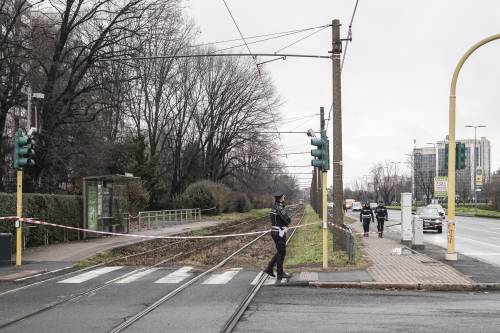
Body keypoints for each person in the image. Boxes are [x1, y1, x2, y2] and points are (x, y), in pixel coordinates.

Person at [265, 191, 292, 280]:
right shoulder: (279, 208)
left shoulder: (274, 207)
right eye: (283, 197)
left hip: (275, 232)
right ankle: (279, 273)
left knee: (280, 252)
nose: (284, 198)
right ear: (280, 198)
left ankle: (270, 268)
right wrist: (288, 220)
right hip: (279, 233)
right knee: (282, 252)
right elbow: (287, 220)